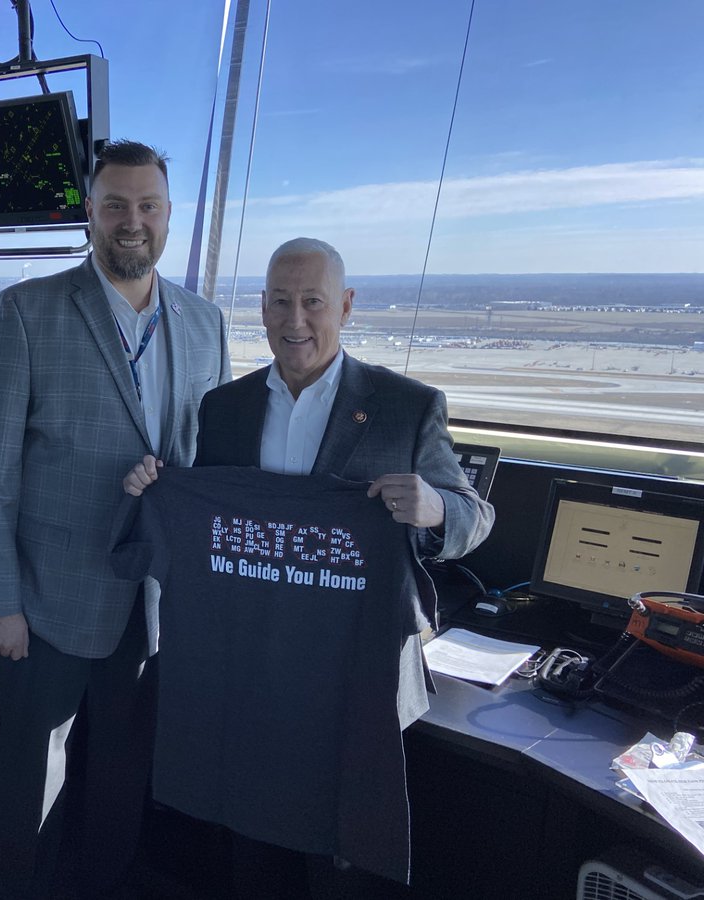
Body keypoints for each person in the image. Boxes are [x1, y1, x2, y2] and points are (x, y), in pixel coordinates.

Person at [122, 236, 494, 896]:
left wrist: (436, 507)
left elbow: (475, 516)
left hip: (355, 677)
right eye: (281, 303)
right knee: (253, 850)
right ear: (262, 309)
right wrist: (156, 486)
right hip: (253, 676)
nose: (296, 322)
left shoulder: (406, 405)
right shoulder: (223, 409)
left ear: (345, 306)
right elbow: (213, 523)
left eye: (313, 302)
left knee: (345, 862)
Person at [0, 139, 231, 898]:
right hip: (47, 599)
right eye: (115, 205)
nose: (131, 221)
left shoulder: (204, 322)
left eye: (147, 206)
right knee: (31, 777)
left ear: (170, 215)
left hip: (151, 602)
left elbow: (215, 460)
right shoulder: (27, 311)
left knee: (123, 775)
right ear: (90, 212)